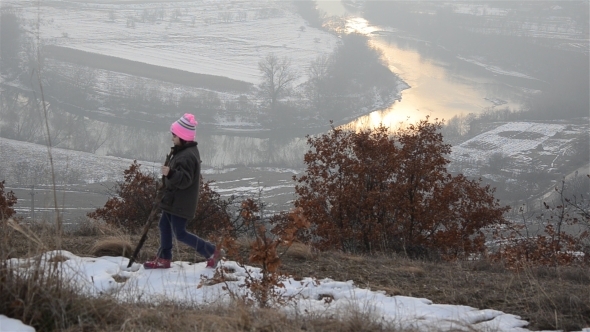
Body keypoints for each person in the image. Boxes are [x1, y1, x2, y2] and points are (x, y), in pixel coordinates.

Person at [144, 113, 223, 269]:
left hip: (181, 203)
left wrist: (171, 173)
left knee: (179, 233)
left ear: (182, 136)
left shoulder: (186, 156)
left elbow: (185, 180)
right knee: (164, 225)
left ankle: (212, 251)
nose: (172, 138)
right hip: (173, 200)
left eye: (174, 135)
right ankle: (164, 258)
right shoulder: (185, 151)